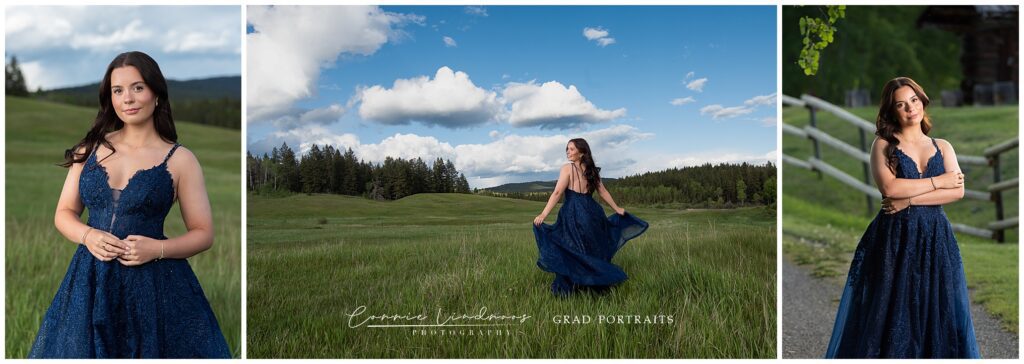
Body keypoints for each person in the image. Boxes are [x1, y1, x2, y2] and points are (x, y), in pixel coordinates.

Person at [29, 51, 231, 358]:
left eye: (138, 87)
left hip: (154, 286)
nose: (128, 98)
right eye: (118, 90)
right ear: (110, 98)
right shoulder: (90, 149)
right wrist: (88, 235)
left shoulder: (180, 160)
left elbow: (204, 233)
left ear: (157, 94)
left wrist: (157, 249)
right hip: (89, 282)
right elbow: (63, 214)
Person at [825, 77, 979, 358]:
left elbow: (957, 192)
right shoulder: (883, 145)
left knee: (937, 306)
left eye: (914, 100)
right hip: (894, 238)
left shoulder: (942, 146)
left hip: (936, 238)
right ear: (892, 110)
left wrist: (909, 199)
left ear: (922, 100)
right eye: (901, 104)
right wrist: (939, 181)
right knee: (892, 308)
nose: (910, 109)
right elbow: (890, 188)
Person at [532, 138, 648, 295]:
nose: (568, 152)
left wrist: (544, 214)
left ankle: (575, 285)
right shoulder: (592, 170)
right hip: (593, 212)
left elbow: (558, 192)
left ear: (582, 152)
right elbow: (603, 192)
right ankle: (594, 284)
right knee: (591, 247)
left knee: (572, 248)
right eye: (567, 149)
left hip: (573, 213)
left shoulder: (567, 168)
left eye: (572, 149)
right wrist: (616, 208)